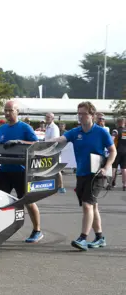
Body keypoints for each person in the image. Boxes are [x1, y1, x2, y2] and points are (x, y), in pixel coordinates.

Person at [52, 101, 116, 250]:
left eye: (83, 114)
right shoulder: (76, 132)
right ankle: (100, 237)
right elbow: (60, 140)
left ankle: (83, 238)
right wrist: (39, 142)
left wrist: (106, 167)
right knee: (92, 207)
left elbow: (113, 151)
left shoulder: (101, 132)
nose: (80, 116)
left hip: (98, 174)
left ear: (92, 115)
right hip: (82, 174)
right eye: (78, 113)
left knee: (87, 205)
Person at [0, 101, 43, 243]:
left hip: (21, 171)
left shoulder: (25, 128)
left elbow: (36, 144)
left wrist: (20, 142)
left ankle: (37, 230)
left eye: (10, 110)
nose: (7, 113)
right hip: (4, 170)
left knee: (28, 201)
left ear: (17, 111)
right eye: (6, 110)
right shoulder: (1, 129)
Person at [44, 112, 65, 193]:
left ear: (52, 118)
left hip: (54, 150)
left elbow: (54, 140)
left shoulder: (54, 128)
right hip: (47, 150)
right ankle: (53, 185)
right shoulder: (47, 126)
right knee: (49, 168)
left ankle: (61, 186)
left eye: (48, 117)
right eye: (46, 117)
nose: (47, 118)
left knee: (56, 169)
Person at [111, 117, 126, 190]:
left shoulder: (115, 130)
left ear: (118, 123)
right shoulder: (125, 131)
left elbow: (112, 139)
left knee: (114, 168)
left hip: (116, 151)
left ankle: (110, 183)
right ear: (124, 123)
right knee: (124, 169)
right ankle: (124, 185)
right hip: (125, 152)